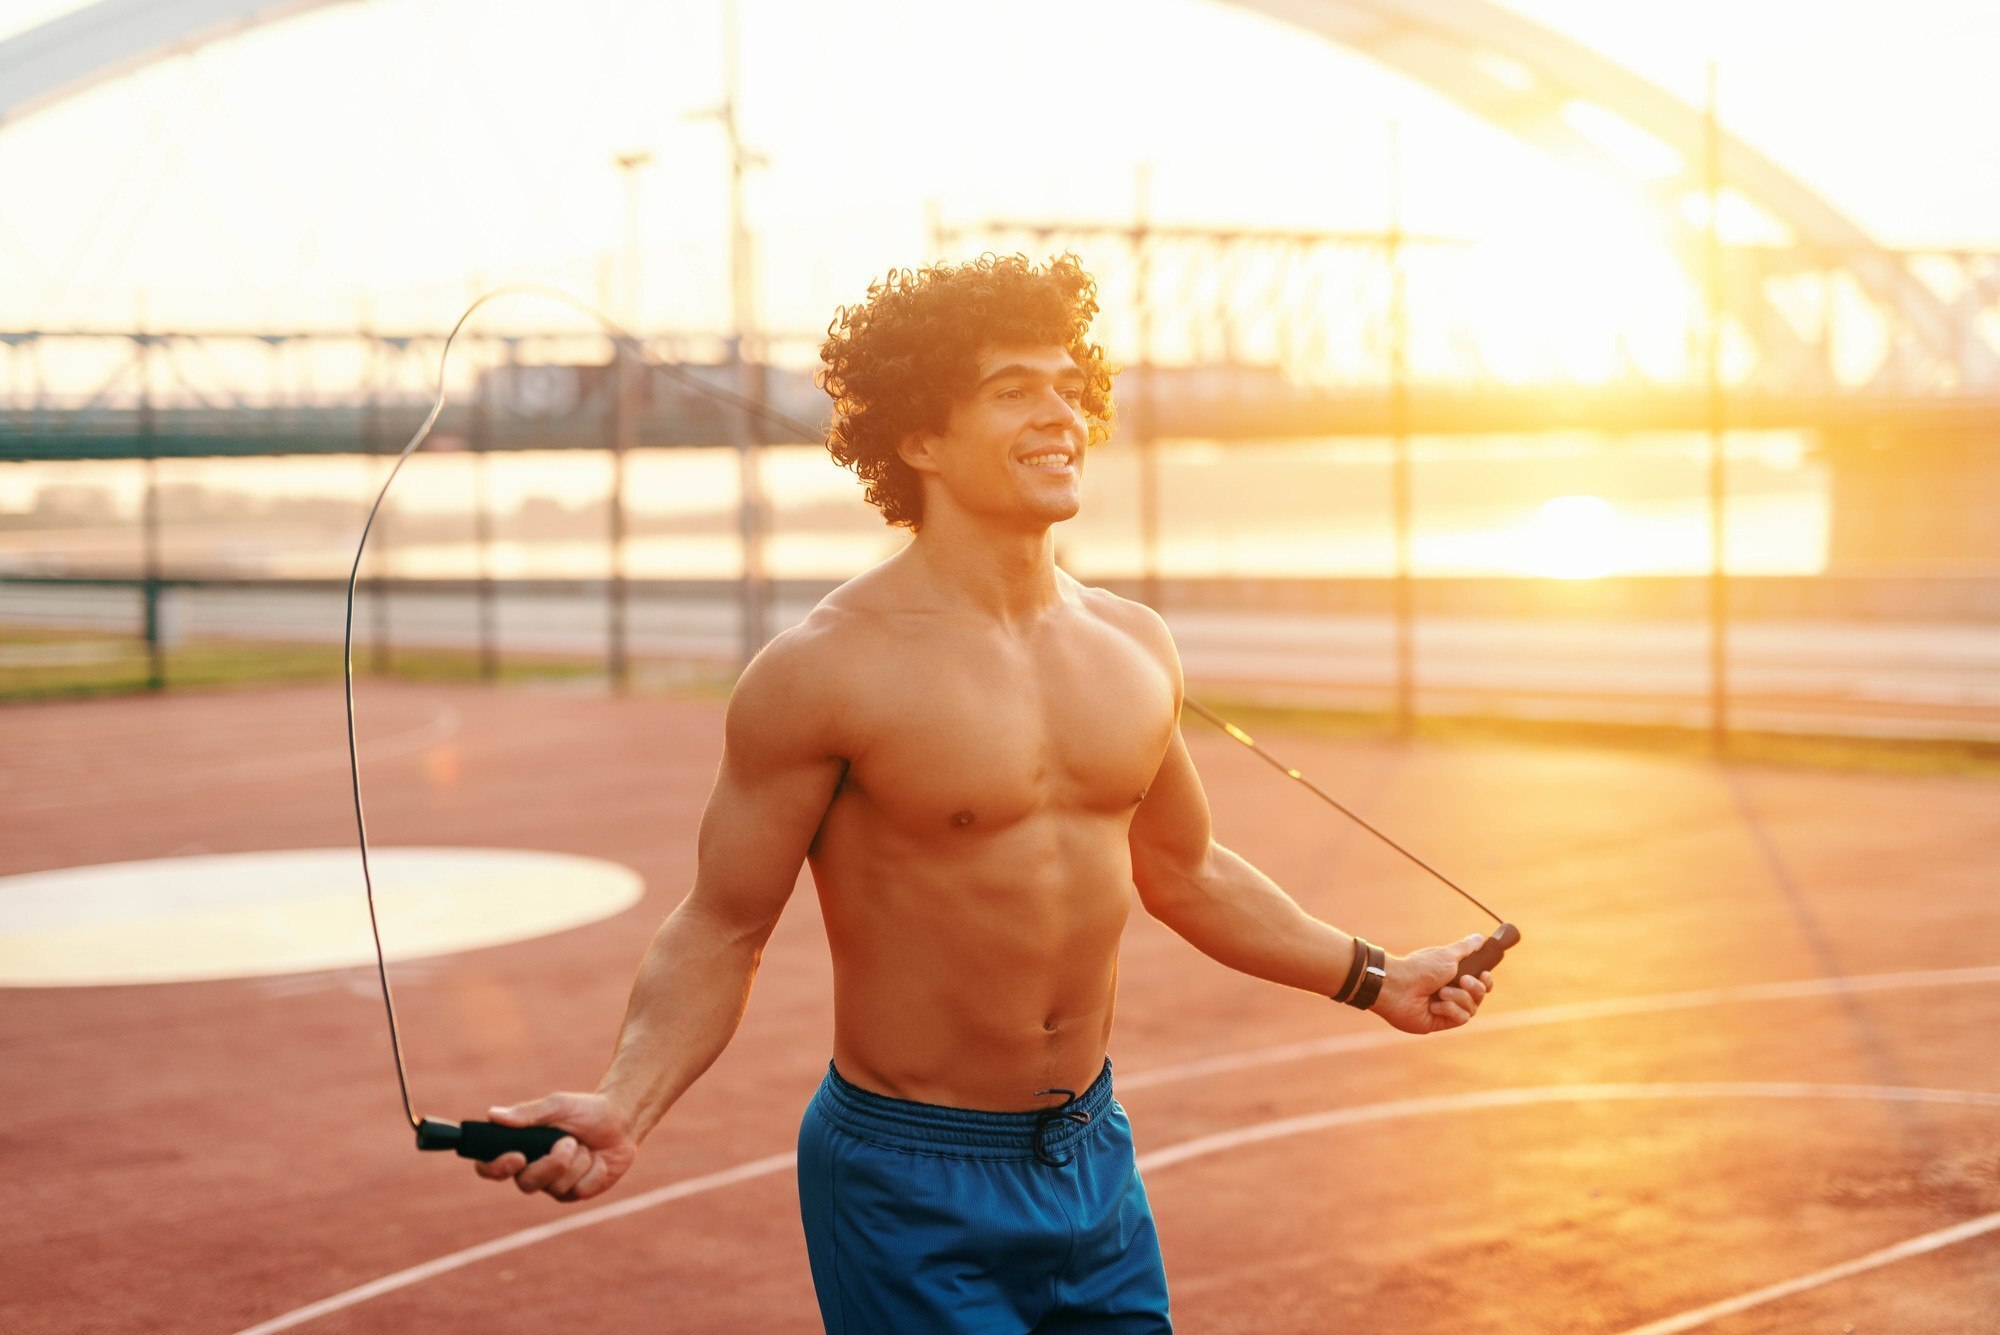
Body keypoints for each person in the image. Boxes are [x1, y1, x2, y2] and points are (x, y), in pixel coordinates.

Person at [477, 253, 1495, 1332]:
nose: (1060, 414)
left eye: (1069, 385)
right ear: (918, 439)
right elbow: (722, 926)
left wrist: (1373, 977)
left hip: (1089, 1155)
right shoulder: (825, 669)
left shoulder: (1132, 643)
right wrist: (624, 1101)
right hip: (906, 1176)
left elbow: (1185, 871)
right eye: (1013, 389)